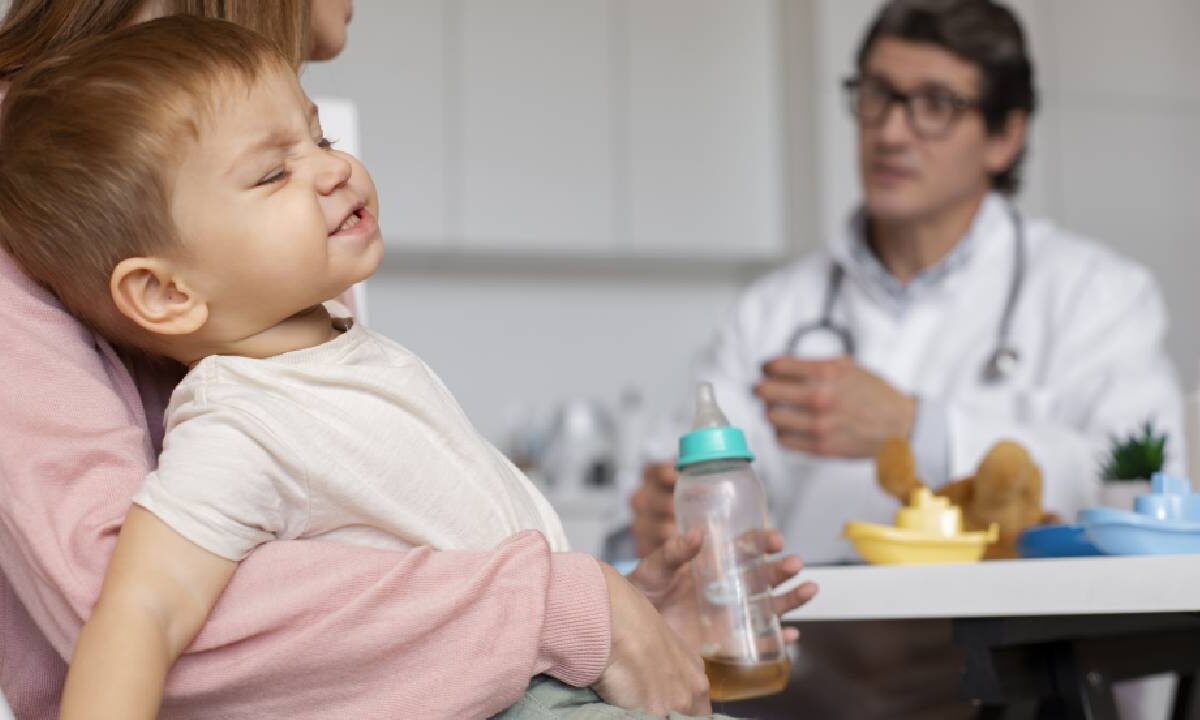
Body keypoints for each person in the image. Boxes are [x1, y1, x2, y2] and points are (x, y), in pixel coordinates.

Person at [0, 3, 817, 719]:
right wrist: (573, 617)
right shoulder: (236, 426)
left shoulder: (339, 353)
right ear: (167, 294)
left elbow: (432, 563)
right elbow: (134, 611)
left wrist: (621, 611)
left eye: (317, 137)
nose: (333, 166)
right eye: (274, 171)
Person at [631, 0, 1184, 717]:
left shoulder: (1095, 294)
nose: (891, 131)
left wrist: (920, 430)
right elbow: (683, 494)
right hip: (807, 690)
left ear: (1005, 135)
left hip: (1020, 684)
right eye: (878, 96)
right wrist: (660, 515)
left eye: (934, 105)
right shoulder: (772, 310)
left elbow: (1141, 495)